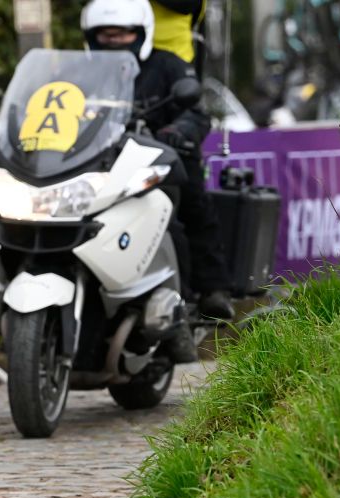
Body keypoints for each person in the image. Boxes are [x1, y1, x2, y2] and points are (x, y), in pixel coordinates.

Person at [83, 0, 234, 322]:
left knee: (190, 203)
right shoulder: (79, 72)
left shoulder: (168, 66)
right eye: (105, 35)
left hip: (156, 158)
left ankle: (208, 290)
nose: (114, 42)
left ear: (141, 33)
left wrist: (177, 131)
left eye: (123, 35)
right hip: (97, 164)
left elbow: (196, 112)